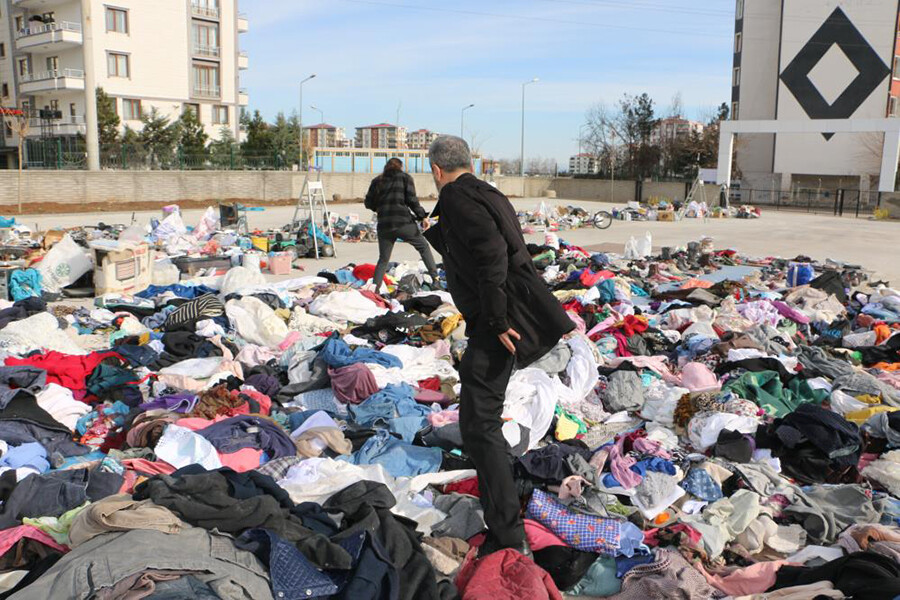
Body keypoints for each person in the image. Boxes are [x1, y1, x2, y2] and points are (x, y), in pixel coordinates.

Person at [423, 136, 575, 557]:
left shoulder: (456, 196)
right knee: (479, 424)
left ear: (437, 170)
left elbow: (493, 254)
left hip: (496, 325)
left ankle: (509, 534)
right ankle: (506, 519)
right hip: (500, 320)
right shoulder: (488, 193)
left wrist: (496, 318)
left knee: (480, 427)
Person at [364, 158, 439, 293]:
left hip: (384, 226)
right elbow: (412, 201)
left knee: (383, 259)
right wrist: (423, 216)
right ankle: (436, 279)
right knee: (423, 247)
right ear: (400, 167)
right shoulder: (405, 178)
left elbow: (368, 203)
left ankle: (374, 289)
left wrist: (381, 208)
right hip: (403, 223)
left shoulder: (377, 181)